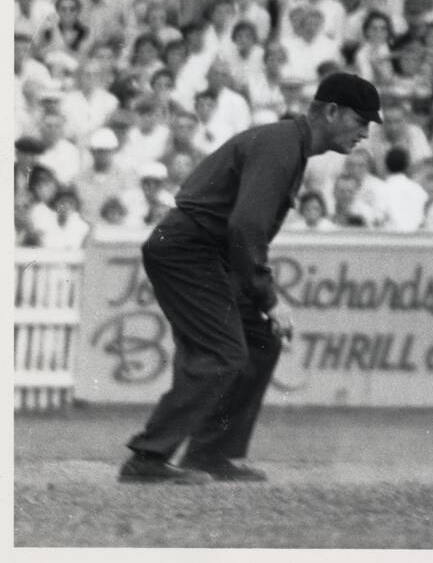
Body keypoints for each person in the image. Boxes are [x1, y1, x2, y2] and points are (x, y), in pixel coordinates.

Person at [119, 72, 382, 485]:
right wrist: (269, 297)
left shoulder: (288, 146)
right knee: (222, 352)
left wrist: (263, 300)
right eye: (361, 120)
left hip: (205, 251)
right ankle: (147, 458)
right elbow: (245, 227)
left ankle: (209, 454)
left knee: (260, 338)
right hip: (189, 249)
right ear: (331, 111)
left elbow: (241, 231)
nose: (365, 133)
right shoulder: (281, 146)